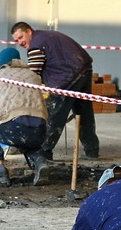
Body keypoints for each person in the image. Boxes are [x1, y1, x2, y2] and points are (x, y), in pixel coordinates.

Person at [11, 21, 100, 160]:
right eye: (16, 40)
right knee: (83, 113)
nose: (19, 42)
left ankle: (44, 152)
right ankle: (92, 149)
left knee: (52, 115)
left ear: (29, 31)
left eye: (21, 37)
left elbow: (34, 74)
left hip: (66, 78)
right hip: (84, 69)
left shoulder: (36, 45)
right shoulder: (46, 36)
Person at [0, 47, 49, 186]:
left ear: (2, 62)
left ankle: (1, 174)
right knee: (28, 138)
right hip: (40, 127)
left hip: (15, 125)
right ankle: (40, 162)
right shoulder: (33, 75)